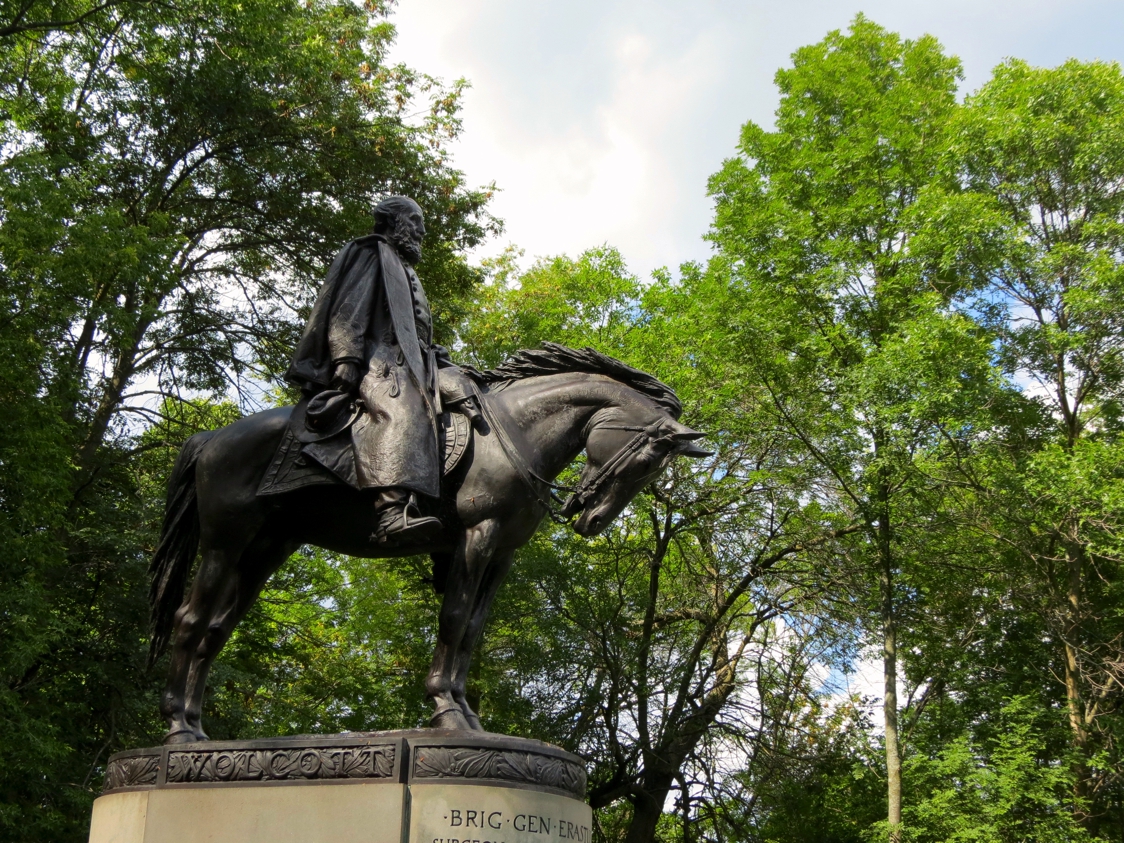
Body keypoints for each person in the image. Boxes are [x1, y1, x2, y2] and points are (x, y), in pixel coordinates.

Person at [286, 196, 479, 543]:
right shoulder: (372, 252)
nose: (422, 229)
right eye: (416, 220)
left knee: (471, 392)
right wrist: (347, 359)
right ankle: (391, 513)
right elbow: (351, 308)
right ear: (395, 221)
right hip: (383, 360)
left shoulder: (405, 267)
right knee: (402, 409)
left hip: (422, 362)